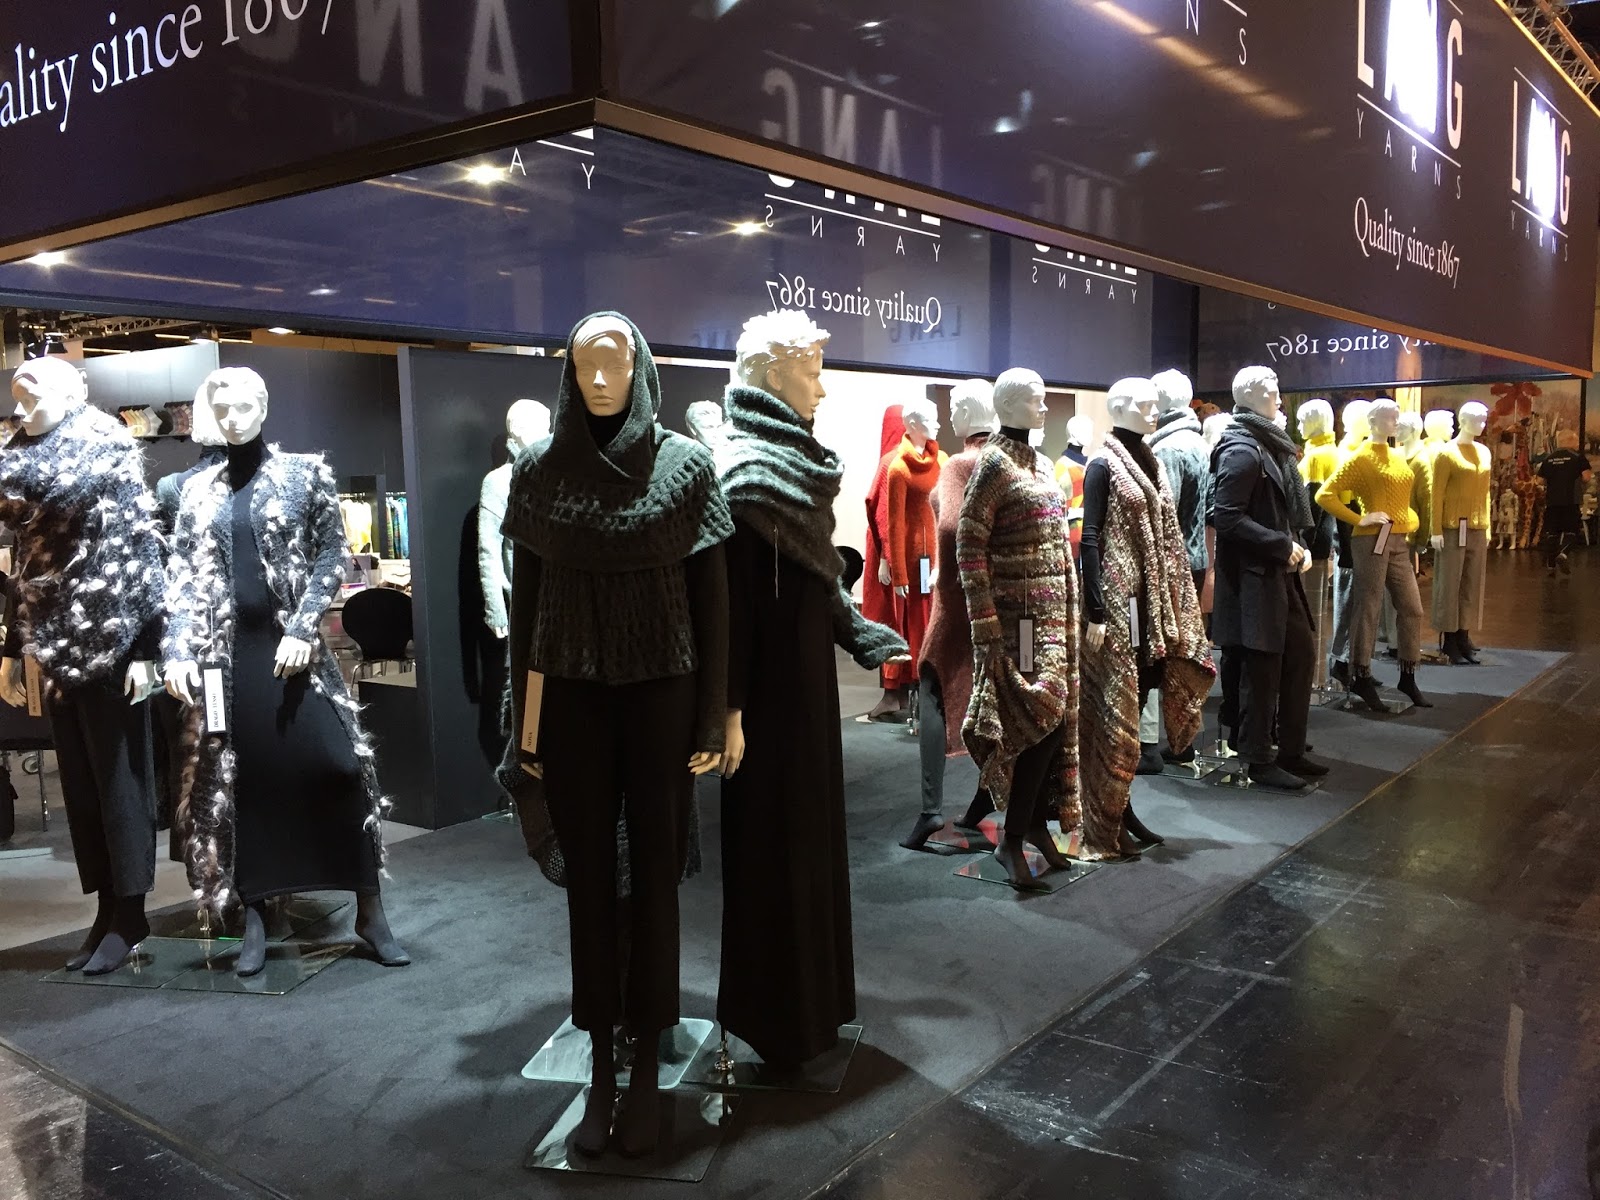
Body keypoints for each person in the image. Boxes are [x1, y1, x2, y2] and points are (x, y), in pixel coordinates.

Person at [1536, 432, 1592, 576]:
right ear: (1571, 441)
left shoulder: (1549, 459)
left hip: (1552, 501)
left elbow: (1539, 481)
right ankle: (1563, 554)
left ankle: (1550, 565)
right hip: (1570, 500)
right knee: (1572, 531)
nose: (1578, 444)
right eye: (1577, 441)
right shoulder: (1578, 458)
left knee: (1552, 533)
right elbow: (1586, 477)